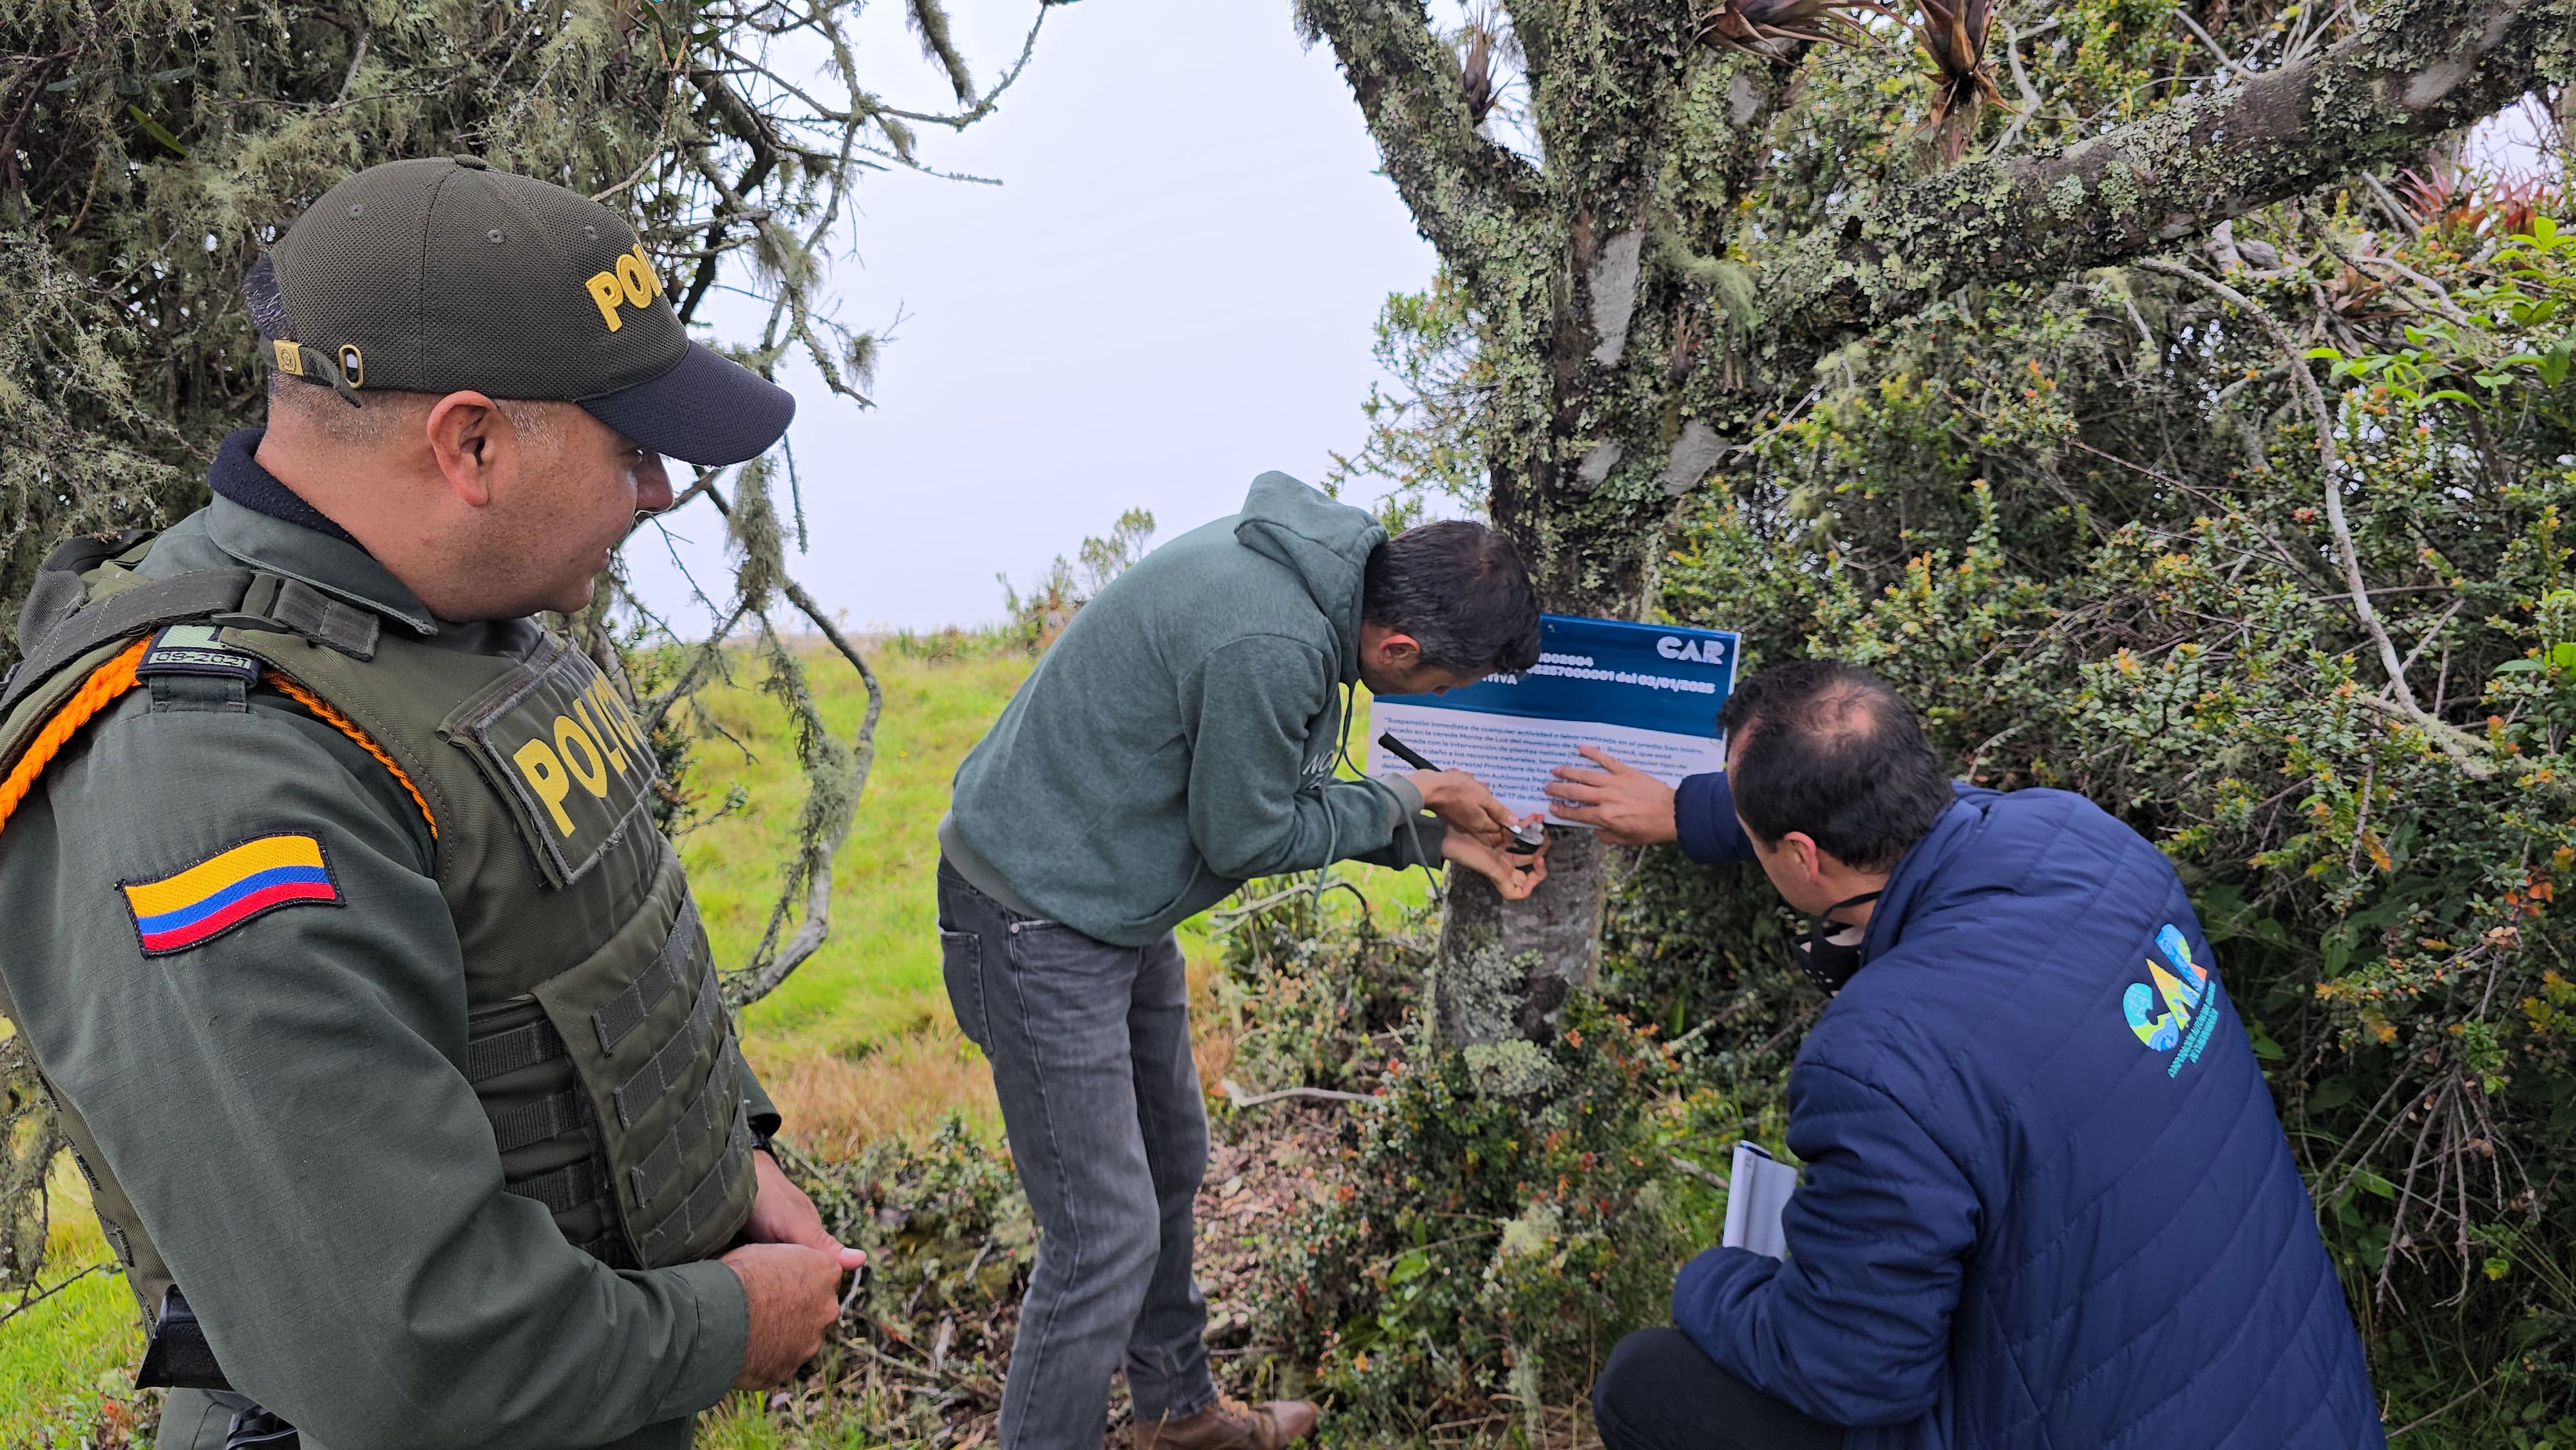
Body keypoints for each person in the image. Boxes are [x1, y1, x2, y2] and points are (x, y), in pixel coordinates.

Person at [0, 158, 864, 1449]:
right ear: (469, 444)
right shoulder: (210, 772)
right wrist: (725, 1328)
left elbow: (576, 942)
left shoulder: (428, 615)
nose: (660, 490)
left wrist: (724, 1155)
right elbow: (403, 1356)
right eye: (631, 446)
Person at [1548, 661, 2383, 1450]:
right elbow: (1941, 812)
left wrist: (1712, 1279)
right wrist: (1692, 812)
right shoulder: (2087, 840)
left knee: (1646, 1381)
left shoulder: (1884, 1056)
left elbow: (1854, 1369)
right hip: (2298, 1399)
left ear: (1802, 856)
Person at [938, 482, 1546, 1448]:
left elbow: (1265, 789)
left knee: (1174, 1159)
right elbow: (1247, 835)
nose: (1437, 705)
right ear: (1398, 648)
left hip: (1111, 896)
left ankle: (1178, 1416)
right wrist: (1410, 793)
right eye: (1440, 688)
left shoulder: (1327, 583)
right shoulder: (1271, 642)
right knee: (1104, 1234)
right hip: (1034, 916)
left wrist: (1429, 832)